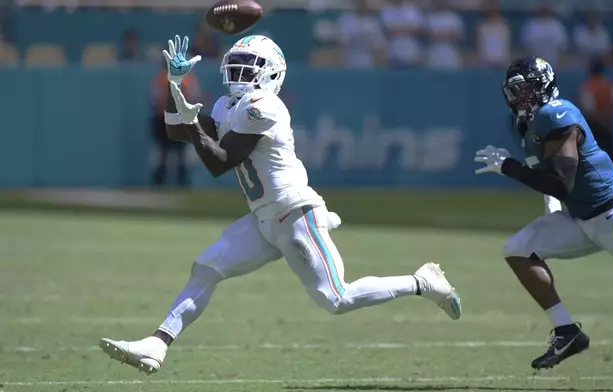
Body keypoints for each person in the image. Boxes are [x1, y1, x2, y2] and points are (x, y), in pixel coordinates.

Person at [98, 35, 462, 374]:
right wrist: (174, 86)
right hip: (263, 219)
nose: (238, 74)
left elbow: (219, 161)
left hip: (295, 214)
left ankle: (423, 281)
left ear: (271, 73)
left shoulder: (265, 105)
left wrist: (192, 122)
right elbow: (176, 131)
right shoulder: (229, 104)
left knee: (336, 298)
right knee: (206, 267)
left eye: (248, 66)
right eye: (235, 65)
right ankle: (157, 344)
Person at [473, 57, 613, 370]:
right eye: (514, 91)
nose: (519, 97)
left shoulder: (558, 113)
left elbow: (562, 183)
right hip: (581, 219)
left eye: (525, 89)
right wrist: (550, 206)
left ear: (544, 85)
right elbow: (546, 173)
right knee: (517, 249)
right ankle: (566, 332)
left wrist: (509, 167)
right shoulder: (521, 123)